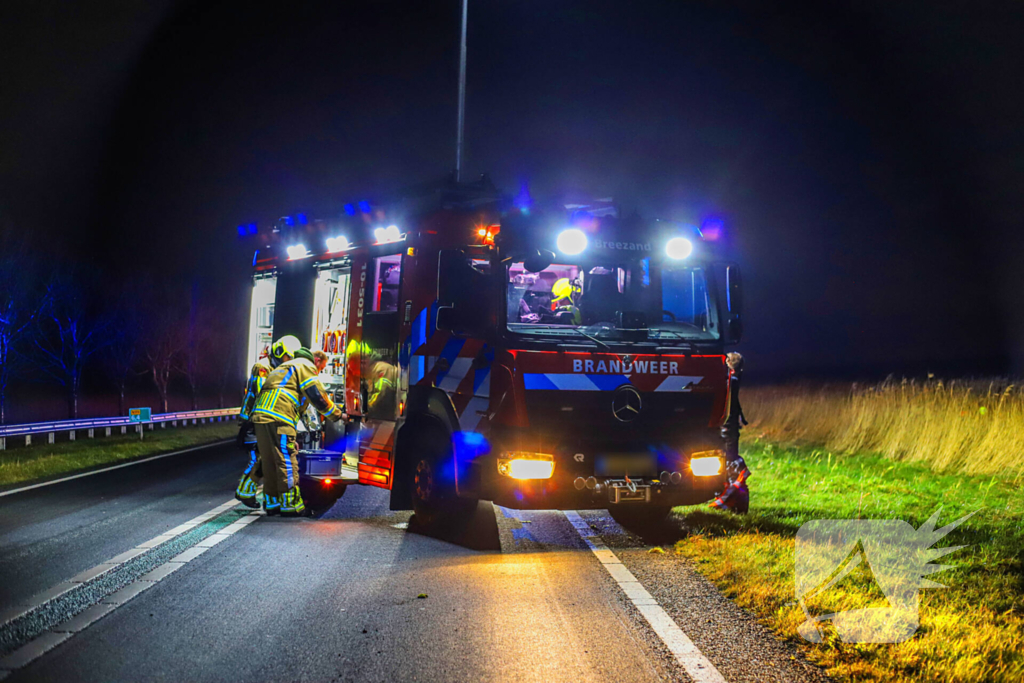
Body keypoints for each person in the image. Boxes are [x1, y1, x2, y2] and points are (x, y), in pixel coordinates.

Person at [251, 348, 345, 516]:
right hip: (279, 416)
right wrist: (338, 415)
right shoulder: (305, 366)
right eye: (320, 369)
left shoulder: (284, 367)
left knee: (269, 460)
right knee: (286, 459)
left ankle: (273, 503)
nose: (318, 372)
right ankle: (290, 504)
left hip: (260, 416)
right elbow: (317, 396)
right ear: (314, 361)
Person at [234, 335, 301, 508]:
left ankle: (248, 491)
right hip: (254, 418)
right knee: (259, 458)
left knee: (266, 457)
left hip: (262, 417)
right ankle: (245, 490)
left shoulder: (276, 367)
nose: (288, 361)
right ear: (280, 352)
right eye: (287, 357)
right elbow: (261, 392)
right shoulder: (262, 366)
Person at [710, 352, 751, 513]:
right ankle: (732, 502)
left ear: (728, 363)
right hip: (730, 427)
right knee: (727, 463)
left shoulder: (730, 381)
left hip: (728, 428)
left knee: (730, 463)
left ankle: (735, 502)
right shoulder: (733, 379)